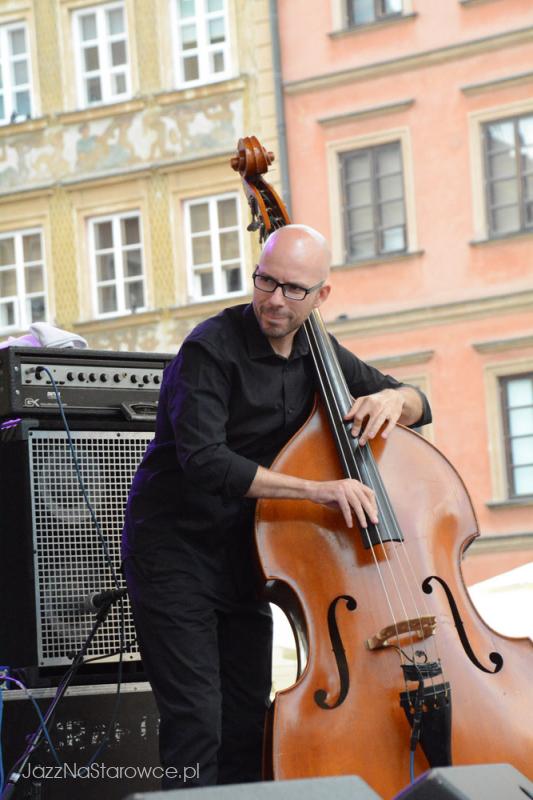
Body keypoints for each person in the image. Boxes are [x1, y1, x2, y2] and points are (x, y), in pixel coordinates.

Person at [121, 224, 431, 789]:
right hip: (176, 553)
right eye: (266, 281)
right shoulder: (209, 350)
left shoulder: (320, 351)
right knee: (196, 724)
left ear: (321, 297)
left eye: (293, 289)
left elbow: (418, 403)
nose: (274, 300)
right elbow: (206, 462)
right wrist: (317, 491)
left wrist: (393, 398)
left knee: (245, 723)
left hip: (250, 556)